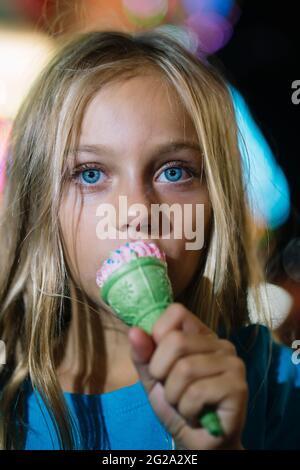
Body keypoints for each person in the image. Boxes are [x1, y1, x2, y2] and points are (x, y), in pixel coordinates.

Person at [0, 29, 299, 450]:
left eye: (174, 171)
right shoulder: (7, 401)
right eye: (90, 174)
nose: (137, 210)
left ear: (216, 201)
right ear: (40, 207)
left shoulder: (280, 388)